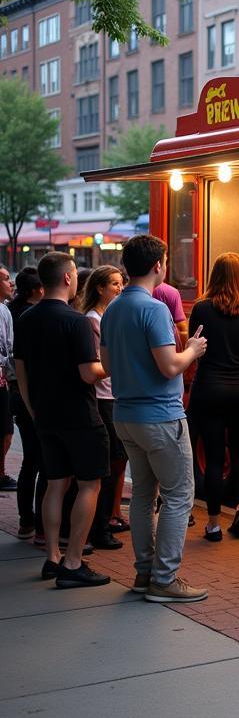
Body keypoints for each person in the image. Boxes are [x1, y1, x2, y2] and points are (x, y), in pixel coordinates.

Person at [100, 234, 209, 603]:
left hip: (125, 414)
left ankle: (145, 573)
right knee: (179, 494)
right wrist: (192, 350)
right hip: (161, 416)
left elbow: (110, 366)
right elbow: (169, 366)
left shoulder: (113, 308)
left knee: (144, 494)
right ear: (159, 264)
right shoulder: (155, 309)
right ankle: (165, 578)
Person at [13, 252, 110, 588]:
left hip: (44, 415)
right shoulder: (76, 321)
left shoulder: (25, 318)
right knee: (89, 485)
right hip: (80, 416)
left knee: (55, 484)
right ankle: (74, 561)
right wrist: (111, 364)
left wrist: (32, 407)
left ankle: (52, 557)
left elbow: (20, 370)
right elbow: (89, 374)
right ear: (69, 278)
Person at [187, 252, 239, 541]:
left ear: (214, 276)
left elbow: (193, 348)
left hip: (209, 388)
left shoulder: (202, 308)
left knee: (215, 454)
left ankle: (214, 523)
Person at [80, 266, 128, 551]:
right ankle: (100, 527)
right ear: (99, 287)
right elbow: (96, 363)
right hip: (102, 397)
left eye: (121, 283)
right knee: (109, 462)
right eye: (114, 284)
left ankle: (105, 521)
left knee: (116, 460)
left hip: (113, 394)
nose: (120, 289)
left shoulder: (107, 316)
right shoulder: (91, 321)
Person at [10, 267, 45, 541]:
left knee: (30, 461)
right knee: (43, 462)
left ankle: (26, 521)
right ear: (38, 289)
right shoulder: (34, 316)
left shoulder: (13, 312)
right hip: (35, 397)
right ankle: (41, 525)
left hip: (19, 396)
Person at [0, 265, 16, 491]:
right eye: (5, 279)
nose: (10, 282)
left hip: (4, 378)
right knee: (5, 429)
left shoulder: (5, 308)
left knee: (6, 429)